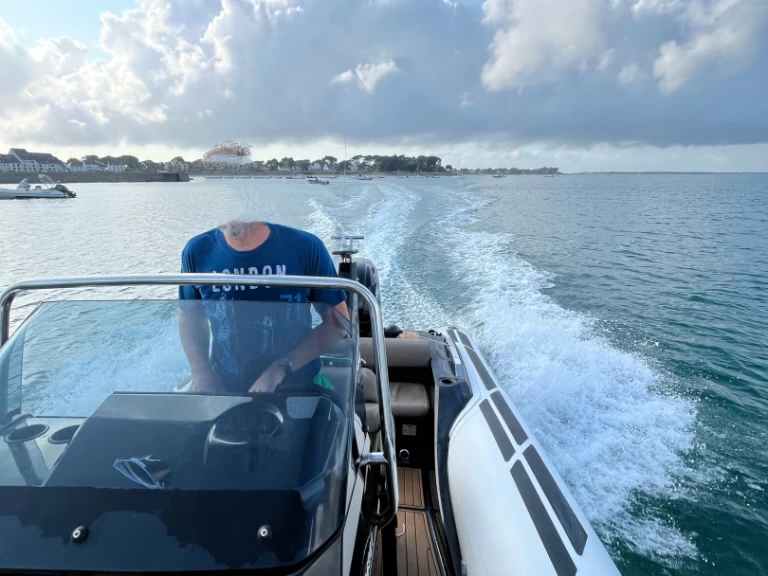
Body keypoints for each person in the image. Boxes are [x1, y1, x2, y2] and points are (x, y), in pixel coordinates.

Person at [178, 220, 350, 394]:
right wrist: (200, 371)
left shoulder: (306, 247)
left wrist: (279, 369)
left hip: (300, 384)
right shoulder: (197, 251)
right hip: (225, 388)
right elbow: (189, 316)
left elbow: (339, 323)